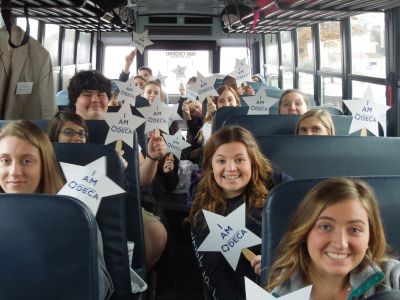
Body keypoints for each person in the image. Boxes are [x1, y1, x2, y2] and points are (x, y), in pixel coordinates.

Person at [0, 120, 114, 299]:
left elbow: (99, 289)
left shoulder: (75, 215)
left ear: (44, 165)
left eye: (27, 161)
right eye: (5, 160)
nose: (14, 172)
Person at [67, 70, 168, 269]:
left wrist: (153, 157)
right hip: (74, 202)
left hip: (122, 200)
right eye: (87, 94)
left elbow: (142, 180)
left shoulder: (123, 128)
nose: (95, 99)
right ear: (75, 100)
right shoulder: (62, 127)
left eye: (101, 94)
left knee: (157, 235)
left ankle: (128, 279)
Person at [186, 125, 292, 299]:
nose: (231, 168)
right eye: (221, 161)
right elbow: (216, 277)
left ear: (252, 161)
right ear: (211, 166)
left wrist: (276, 260)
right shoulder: (204, 210)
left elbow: (307, 231)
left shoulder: (279, 186)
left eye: (239, 160)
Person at [254, 178, 400, 299]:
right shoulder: (279, 294)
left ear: (370, 238)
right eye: (325, 227)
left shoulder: (392, 276)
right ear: (305, 233)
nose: (341, 244)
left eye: (354, 229)